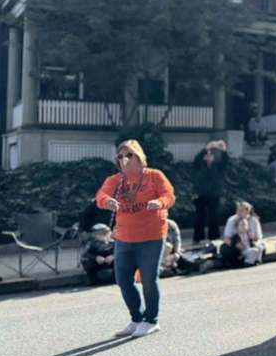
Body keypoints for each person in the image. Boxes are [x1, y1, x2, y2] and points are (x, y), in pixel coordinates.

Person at [96, 140, 176, 338]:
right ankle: (137, 318)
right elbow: (101, 196)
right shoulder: (116, 180)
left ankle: (151, 320)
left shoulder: (154, 176)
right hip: (125, 237)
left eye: (129, 154)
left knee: (148, 279)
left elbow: (169, 195)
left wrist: (159, 202)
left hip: (151, 236)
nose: (125, 159)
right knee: (123, 280)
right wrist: (108, 201)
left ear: (139, 156)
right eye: (121, 156)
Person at [192, 140, 229, 246]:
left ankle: (214, 236)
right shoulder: (200, 165)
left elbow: (225, 161)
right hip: (200, 193)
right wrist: (206, 148)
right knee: (199, 216)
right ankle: (198, 238)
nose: (208, 156)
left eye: (210, 155)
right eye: (207, 155)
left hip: (214, 193)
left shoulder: (219, 166)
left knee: (214, 216)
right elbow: (196, 159)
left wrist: (223, 150)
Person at [220, 201, 265, 267]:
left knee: (261, 247)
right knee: (225, 249)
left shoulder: (254, 220)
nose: (238, 212)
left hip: (251, 245)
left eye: (241, 210)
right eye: (237, 210)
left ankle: (255, 261)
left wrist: (256, 244)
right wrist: (236, 245)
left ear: (247, 211)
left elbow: (259, 237)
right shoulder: (232, 220)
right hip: (237, 246)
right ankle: (237, 262)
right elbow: (226, 238)